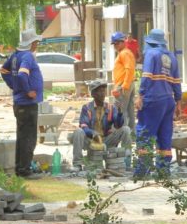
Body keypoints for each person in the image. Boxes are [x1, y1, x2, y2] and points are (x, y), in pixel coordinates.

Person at [134, 28, 181, 178]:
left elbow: (146, 76)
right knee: (164, 136)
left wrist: (140, 95)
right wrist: (178, 102)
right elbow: (176, 82)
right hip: (168, 101)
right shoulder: (172, 57)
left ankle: (143, 170)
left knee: (145, 133)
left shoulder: (151, 54)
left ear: (149, 42)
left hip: (153, 99)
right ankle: (163, 171)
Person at [1, 28, 44, 179]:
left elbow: (3, 70)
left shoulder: (15, 55)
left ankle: (20, 168)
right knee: (29, 137)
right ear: (31, 43)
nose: (37, 44)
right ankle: (25, 170)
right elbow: (22, 74)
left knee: (21, 136)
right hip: (27, 103)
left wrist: (13, 85)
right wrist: (27, 91)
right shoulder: (27, 56)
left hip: (19, 102)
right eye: (36, 42)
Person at [72, 79, 132, 168]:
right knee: (78, 131)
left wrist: (119, 113)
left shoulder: (111, 107)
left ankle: (127, 161)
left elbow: (118, 125)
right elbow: (84, 126)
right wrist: (93, 134)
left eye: (103, 91)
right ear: (93, 94)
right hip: (91, 140)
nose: (103, 94)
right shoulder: (87, 108)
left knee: (126, 129)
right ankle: (77, 163)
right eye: (100, 91)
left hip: (106, 140)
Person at [110, 32, 136, 131]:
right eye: (114, 44)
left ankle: (121, 133)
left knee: (120, 110)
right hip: (127, 83)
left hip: (123, 84)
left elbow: (129, 69)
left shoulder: (124, 53)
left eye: (117, 43)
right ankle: (131, 133)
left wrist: (124, 85)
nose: (115, 46)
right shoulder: (125, 53)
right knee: (129, 110)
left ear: (122, 42)